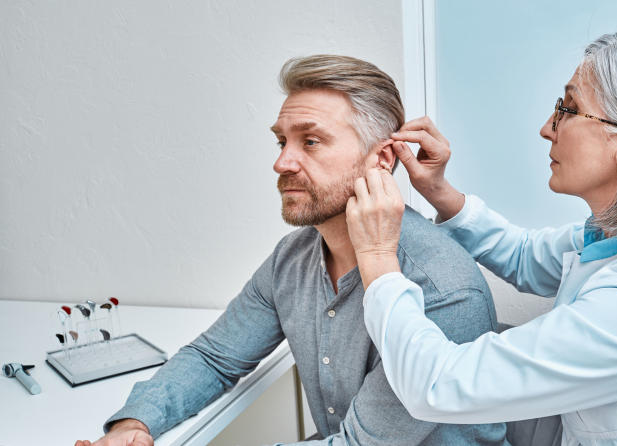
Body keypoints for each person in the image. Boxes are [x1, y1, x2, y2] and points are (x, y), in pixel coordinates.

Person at [346, 28, 617, 446]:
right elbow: (527, 257)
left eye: (569, 108)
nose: (547, 128)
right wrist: (438, 191)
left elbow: (437, 387)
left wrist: (378, 256)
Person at [74, 55, 507, 446]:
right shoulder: (293, 257)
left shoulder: (443, 289)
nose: (282, 163)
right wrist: (135, 424)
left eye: (311, 142)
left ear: (382, 160)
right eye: (282, 142)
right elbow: (214, 357)